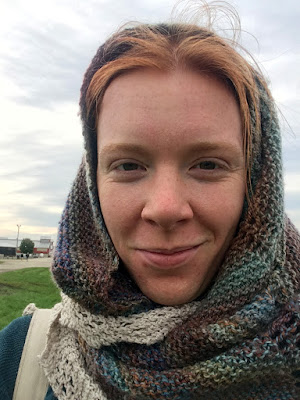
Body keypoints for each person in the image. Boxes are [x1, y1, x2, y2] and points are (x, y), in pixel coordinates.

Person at [0, 6, 299, 400]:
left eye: (208, 164)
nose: (165, 208)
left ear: (257, 183)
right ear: (92, 182)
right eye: (128, 165)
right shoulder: (19, 358)